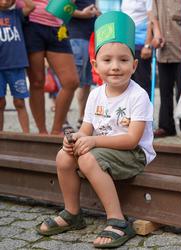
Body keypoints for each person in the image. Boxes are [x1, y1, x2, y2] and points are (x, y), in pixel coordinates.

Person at [35, 11, 156, 249]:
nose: (115, 67)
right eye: (107, 60)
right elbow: (86, 129)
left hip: (133, 155)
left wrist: (92, 142)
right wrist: (75, 139)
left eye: (123, 60)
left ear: (134, 65)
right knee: (64, 156)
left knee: (88, 159)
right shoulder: (95, 95)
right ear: (95, 65)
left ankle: (118, 221)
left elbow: (132, 140)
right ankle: (72, 213)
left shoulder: (138, 95)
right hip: (102, 152)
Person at [23, 0, 79, 135]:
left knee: (71, 82)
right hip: (31, 22)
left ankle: (56, 130)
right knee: (37, 82)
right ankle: (42, 132)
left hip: (58, 24)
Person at [152, 0, 181, 139]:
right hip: (164, 48)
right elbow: (154, 16)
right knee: (165, 90)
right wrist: (157, 33)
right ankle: (166, 126)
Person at [0, 0, 35, 133]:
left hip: (16, 65)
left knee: (20, 102)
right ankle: (1, 136)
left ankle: (27, 135)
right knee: (0, 103)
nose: (4, 2)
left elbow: (32, 6)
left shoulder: (17, 14)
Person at [68, 0, 99, 130]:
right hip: (77, 37)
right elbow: (64, 8)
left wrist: (97, 13)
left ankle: (82, 118)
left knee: (86, 82)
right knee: (71, 82)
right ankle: (63, 120)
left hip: (89, 37)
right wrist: (82, 13)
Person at [121, 0, 153, 97]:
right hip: (126, 42)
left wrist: (147, 45)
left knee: (142, 82)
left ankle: (144, 110)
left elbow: (151, 20)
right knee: (127, 82)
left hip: (141, 43)